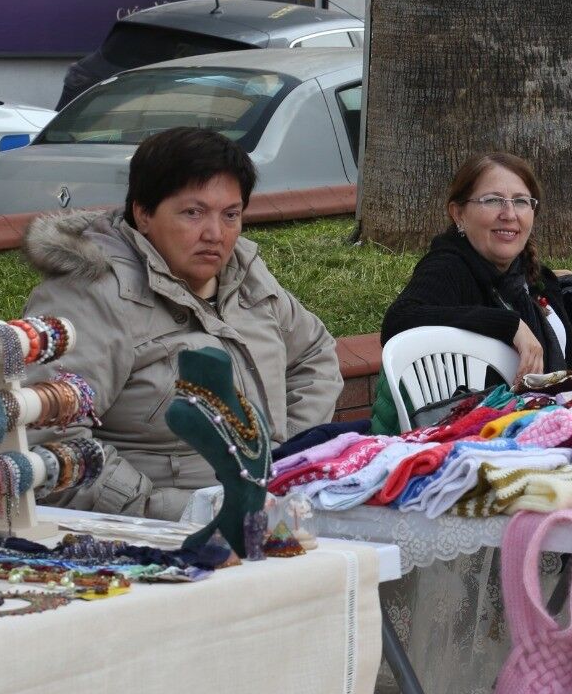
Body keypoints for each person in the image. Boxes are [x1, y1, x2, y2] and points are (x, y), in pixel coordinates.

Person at [23, 127, 342, 518]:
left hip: (264, 507)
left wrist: (285, 458)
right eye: (193, 212)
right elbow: (47, 441)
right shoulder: (89, 296)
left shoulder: (244, 273)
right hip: (152, 528)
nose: (215, 234)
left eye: (231, 215)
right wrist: (171, 508)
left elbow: (314, 354)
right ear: (143, 213)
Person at [382, 152, 572, 381]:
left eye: (520, 201)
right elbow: (398, 320)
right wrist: (508, 325)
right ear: (458, 214)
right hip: (478, 405)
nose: (509, 214)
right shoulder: (449, 267)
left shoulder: (535, 277)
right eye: (492, 200)